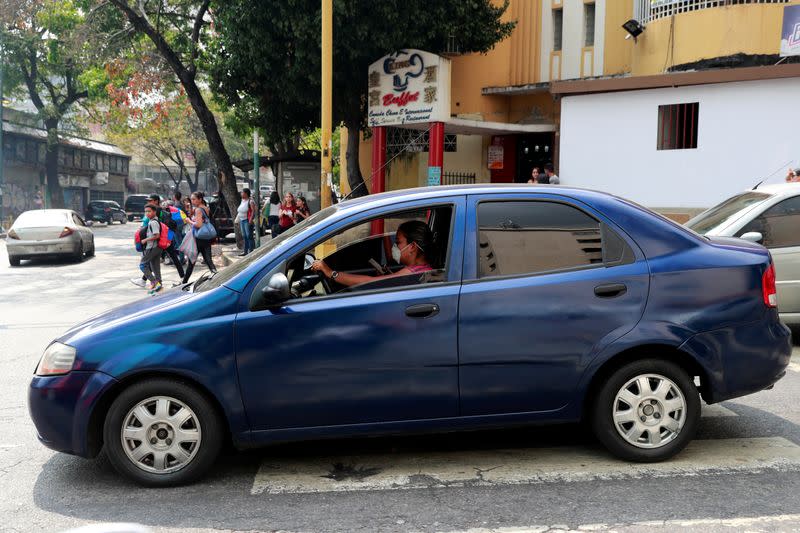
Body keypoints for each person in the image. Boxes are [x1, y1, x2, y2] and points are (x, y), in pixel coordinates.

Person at [311, 220, 434, 288]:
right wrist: (390, 276)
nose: (394, 247)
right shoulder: (421, 269)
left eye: (398, 242)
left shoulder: (412, 273)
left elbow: (368, 281)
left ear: (412, 246)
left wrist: (331, 273)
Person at [182, 191, 217, 284]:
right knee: (208, 260)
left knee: (191, 262)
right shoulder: (205, 208)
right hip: (206, 238)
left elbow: (198, 224)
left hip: (198, 238)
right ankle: (216, 277)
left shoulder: (198, 210)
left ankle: (184, 282)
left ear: (200, 199)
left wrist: (189, 221)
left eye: (194, 199)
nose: (192, 201)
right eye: (191, 199)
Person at [139, 205, 163, 295]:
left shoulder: (153, 222)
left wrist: (145, 240)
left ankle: (154, 283)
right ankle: (159, 287)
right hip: (157, 247)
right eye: (146, 212)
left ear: (154, 212)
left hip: (152, 247)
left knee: (143, 265)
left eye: (149, 211)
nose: (147, 213)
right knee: (155, 268)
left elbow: (157, 235)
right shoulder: (154, 221)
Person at [237, 188, 257, 256]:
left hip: (247, 220)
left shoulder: (250, 201)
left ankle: (251, 250)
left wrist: (250, 219)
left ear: (246, 193)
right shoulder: (242, 200)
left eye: (242, 192)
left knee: (249, 236)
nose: (241, 194)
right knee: (244, 236)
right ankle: (245, 251)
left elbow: (253, 211)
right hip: (242, 220)